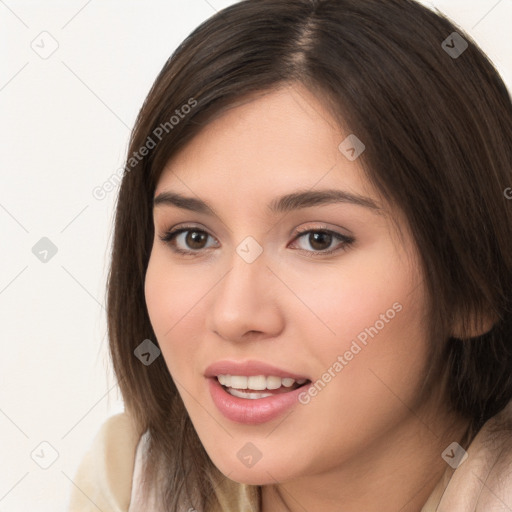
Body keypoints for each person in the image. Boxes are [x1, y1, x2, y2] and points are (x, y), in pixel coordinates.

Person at [68, 0, 512, 510]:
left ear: (472, 286)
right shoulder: (126, 478)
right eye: (193, 237)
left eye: (318, 239)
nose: (234, 314)